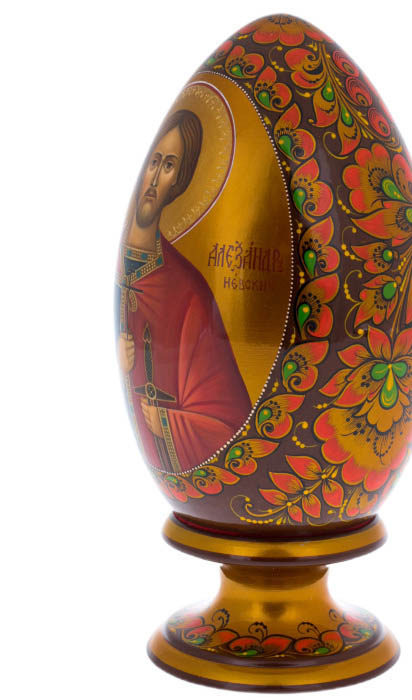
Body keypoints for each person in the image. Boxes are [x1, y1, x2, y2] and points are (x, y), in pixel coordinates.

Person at [116, 110, 251, 474]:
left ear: (179, 181)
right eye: (154, 161)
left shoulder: (187, 292)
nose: (154, 177)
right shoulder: (128, 269)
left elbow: (229, 424)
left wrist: (168, 423)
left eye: (169, 166)